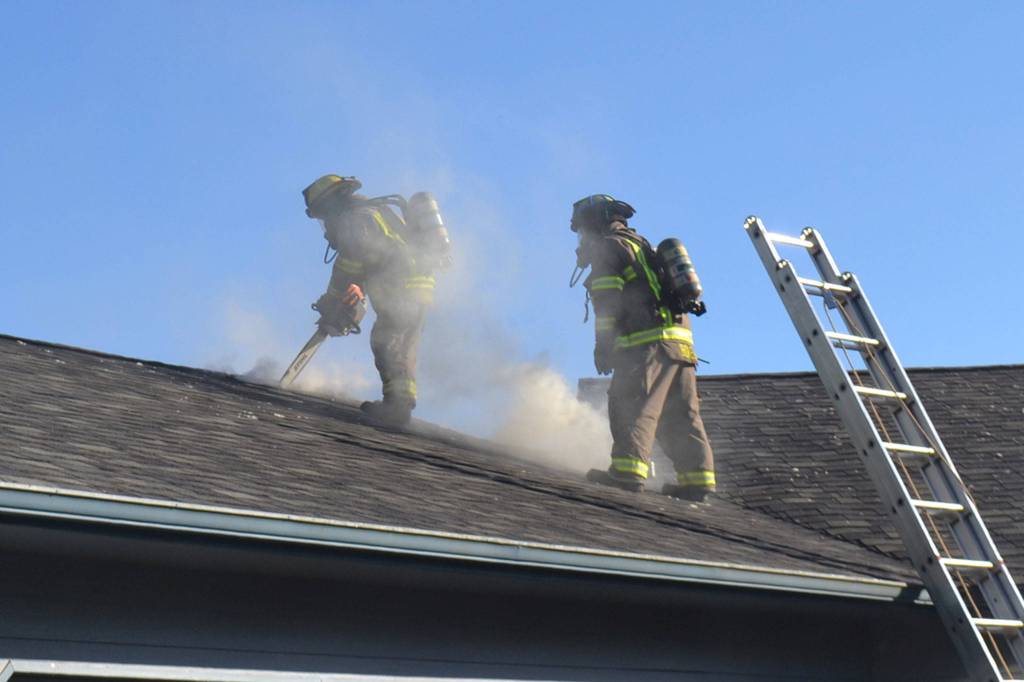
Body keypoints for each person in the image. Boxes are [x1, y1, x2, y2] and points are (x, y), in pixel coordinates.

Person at [571, 194, 716, 501]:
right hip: (681, 345)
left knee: (630, 404)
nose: (582, 238)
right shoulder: (643, 246)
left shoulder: (609, 247)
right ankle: (697, 479)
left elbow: (607, 303)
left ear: (595, 223)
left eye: (582, 229)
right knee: (681, 415)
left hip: (646, 344)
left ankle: (627, 473)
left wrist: (603, 346)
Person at [302, 174, 444, 427]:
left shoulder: (355, 219)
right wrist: (350, 295)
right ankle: (400, 403)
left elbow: (351, 262)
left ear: (331, 206)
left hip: (401, 287)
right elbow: (374, 259)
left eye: (324, 216)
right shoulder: (374, 212)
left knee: (387, 342)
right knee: (400, 344)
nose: (326, 225)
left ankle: (398, 408)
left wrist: (333, 299)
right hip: (415, 286)